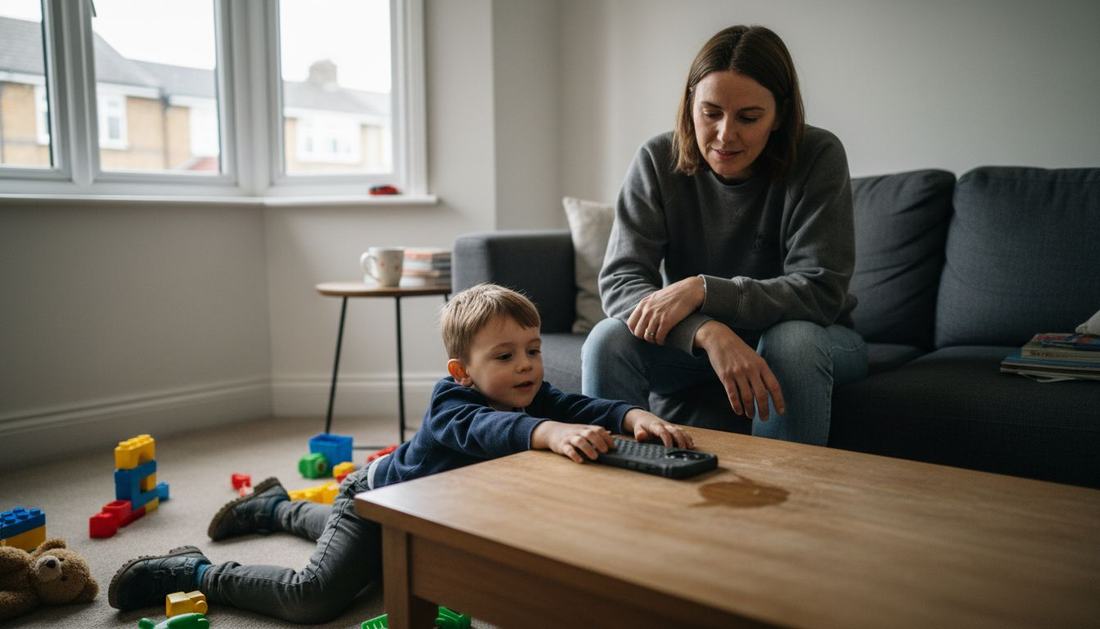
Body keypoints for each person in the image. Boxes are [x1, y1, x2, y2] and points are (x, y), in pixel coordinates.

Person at [108, 283, 692, 623]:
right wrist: (546, 433)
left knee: (382, 564)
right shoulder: (451, 404)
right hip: (375, 498)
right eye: (506, 356)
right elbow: (491, 431)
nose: (527, 366)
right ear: (462, 372)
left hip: (424, 514)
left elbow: (585, 409)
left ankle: (274, 507)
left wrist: (629, 414)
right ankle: (194, 570)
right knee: (319, 596)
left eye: (533, 351)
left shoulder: (535, 392)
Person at [582, 25, 868, 446]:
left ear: (780, 115)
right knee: (607, 339)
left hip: (814, 335)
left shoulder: (818, 156)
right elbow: (620, 281)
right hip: (698, 343)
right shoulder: (657, 160)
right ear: (690, 105)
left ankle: (786, 502)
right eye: (710, 112)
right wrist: (706, 330)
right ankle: (618, 496)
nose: (725, 134)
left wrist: (704, 291)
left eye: (749, 117)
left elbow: (820, 290)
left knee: (792, 342)